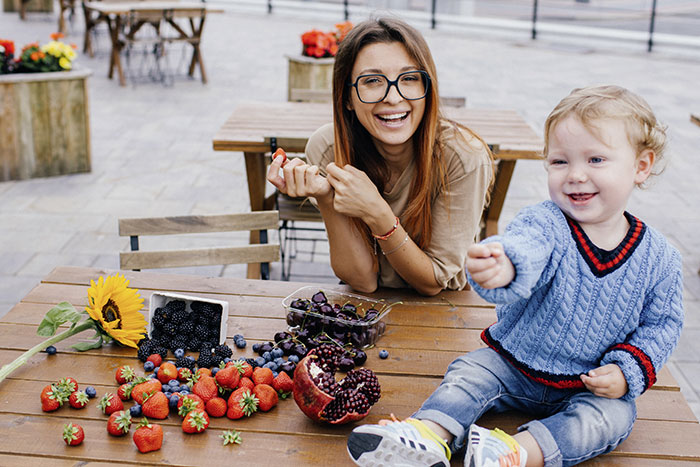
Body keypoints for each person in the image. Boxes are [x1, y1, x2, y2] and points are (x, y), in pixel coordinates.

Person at [346, 84, 684, 467]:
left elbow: (663, 325)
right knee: (470, 373)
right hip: (513, 363)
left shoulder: (660, 257)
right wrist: (503, 266)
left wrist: (628, 370)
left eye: (595, 160)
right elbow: (526, 249)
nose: (575, 175)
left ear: (641, 166)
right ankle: (428, 435)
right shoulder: (545, 222)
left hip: (591, 385)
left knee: (613, 418)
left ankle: (514, 453)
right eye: (559, 162)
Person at [267, 16, 493, 296]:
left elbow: (432, 282)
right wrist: (326, 197)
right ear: (347, 97)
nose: (393, 97)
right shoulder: (328, 148)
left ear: (427, 89)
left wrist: (376, 212)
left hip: (443, 311)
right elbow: (363, 282)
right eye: (372, 81)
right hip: (364, 306)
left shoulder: (463, 156)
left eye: (409, 78)